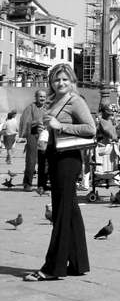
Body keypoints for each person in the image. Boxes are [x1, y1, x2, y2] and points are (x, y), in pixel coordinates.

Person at [24, 63, 95, 282]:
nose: (60, 83)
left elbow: (90, 128)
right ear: (51, 82)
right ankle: (78, 263)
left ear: (72, 81)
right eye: (57, 79)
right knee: (70, 210)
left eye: (65, 79)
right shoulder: (53, 101)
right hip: (54, 156)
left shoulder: (76, 101)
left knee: (61, 213)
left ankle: (53, 267)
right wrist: (43, 127)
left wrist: (60, 126)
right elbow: (51, 125)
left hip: (68, 159)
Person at [19, 90, 48, 192]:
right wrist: (37, 123)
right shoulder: (30, 108)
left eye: (44, 97)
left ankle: (42, 185)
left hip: (45, 136)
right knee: (31, 161)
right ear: (36, 97)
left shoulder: (48, 108)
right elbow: (25, 122)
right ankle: (27, 184)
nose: (42, 98)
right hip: (33, 135)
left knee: (44, 161)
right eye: (40, 96)